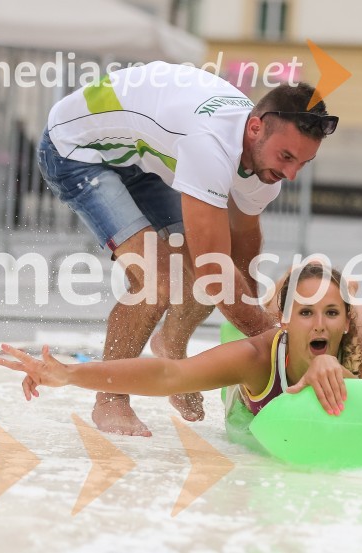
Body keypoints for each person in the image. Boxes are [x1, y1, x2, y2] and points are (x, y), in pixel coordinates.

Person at [38, 62, 338, 436]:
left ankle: (171, 346)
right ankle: (109, 400)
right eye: (287, 158)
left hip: (141, 157)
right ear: (255, 127)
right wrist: (280, 345)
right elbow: (216, 275)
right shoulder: (209, 145)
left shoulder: (265, 168)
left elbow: (239, 264)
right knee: (160, 282)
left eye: (303, 163)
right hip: (77, 150)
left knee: (212, 269)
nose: (291, 174)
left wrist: (264, 337)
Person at [0, 264, 362, 421]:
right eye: (305, 313)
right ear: (283, 321)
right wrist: (72, 374)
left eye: (332, 314)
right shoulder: (258, 358)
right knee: (260, 318)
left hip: (357, 326)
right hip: (265, 350)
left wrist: (338, 369)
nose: (320, 325)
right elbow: (170, 374)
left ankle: (352, 294)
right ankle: (307, 295)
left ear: (344, 321)